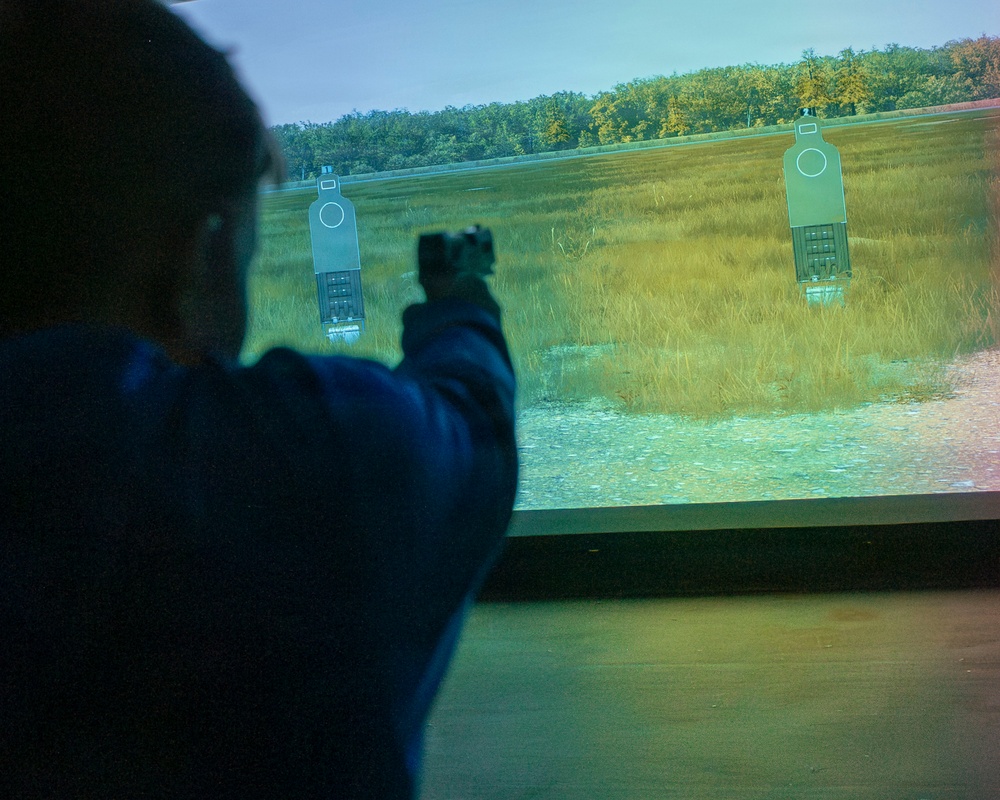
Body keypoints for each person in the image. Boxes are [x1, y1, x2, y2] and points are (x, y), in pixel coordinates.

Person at [0, 1, 517, 797]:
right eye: (244, 240)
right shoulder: (320, 451)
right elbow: (468, 417)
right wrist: (461, 306)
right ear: (200, 251)